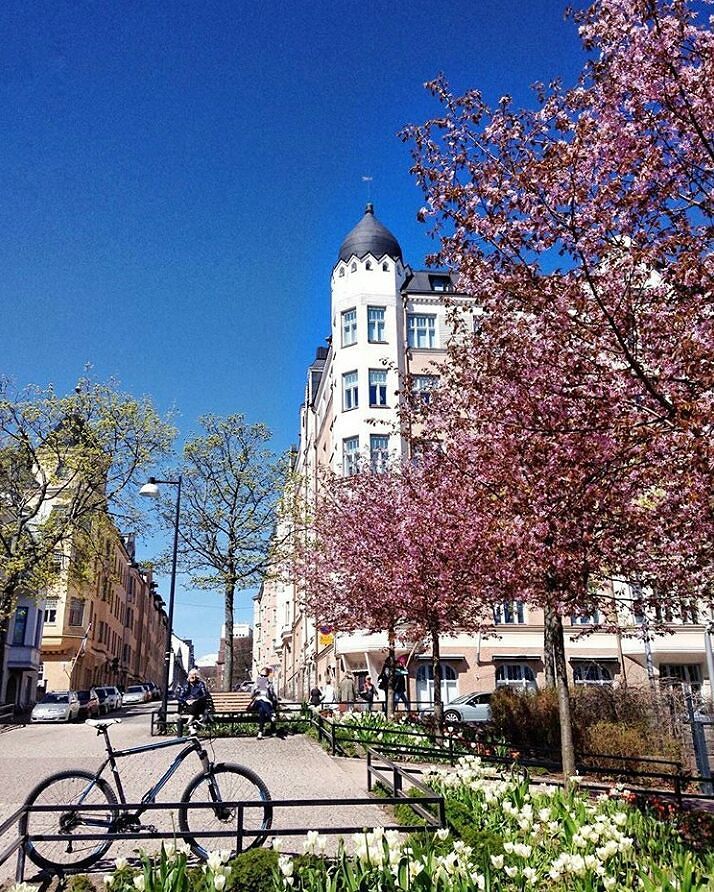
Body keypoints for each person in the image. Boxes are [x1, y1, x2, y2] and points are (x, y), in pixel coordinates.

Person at [251, 666, 278, 739]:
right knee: (261, 700)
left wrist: (268, 689)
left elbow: (272, 697)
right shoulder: (256, 683)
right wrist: (256, 690)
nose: (263, 677)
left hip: (266, 704)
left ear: (267, 676)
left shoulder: (269, 684)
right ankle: (271, 715)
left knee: (261, 710)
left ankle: (260, 733)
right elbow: (251, 696)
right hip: (256, 703)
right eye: (261, 675)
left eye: (265, 676)